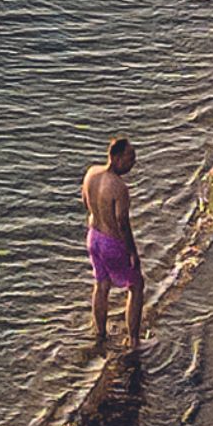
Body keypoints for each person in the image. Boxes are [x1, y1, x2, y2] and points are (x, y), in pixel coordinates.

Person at [82, 136, 144, 353]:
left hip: (93, 237)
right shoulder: (119, 188)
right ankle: (134, 341)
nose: (133, 163)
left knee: (101, 285)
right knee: (136, 286)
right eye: (130, 158)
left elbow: (85, 201)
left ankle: (100, 334)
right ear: (116, 158)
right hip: (111, 242)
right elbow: (122, 222)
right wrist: (132, 252)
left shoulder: (91, 173)